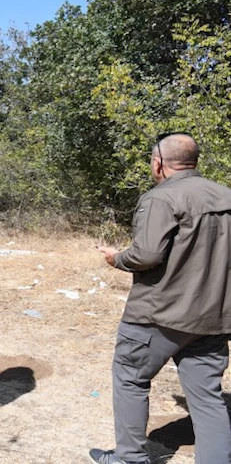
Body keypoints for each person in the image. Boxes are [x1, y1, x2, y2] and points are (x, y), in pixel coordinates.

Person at [93, 133, 231, 464]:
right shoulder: (225, 196)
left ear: (158, 163)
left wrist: (117, 258)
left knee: (130, 377)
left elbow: (146, 255)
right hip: (213, 317)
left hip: (159, 315)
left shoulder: (162, 198)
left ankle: (129, 458)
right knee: (208, 397)